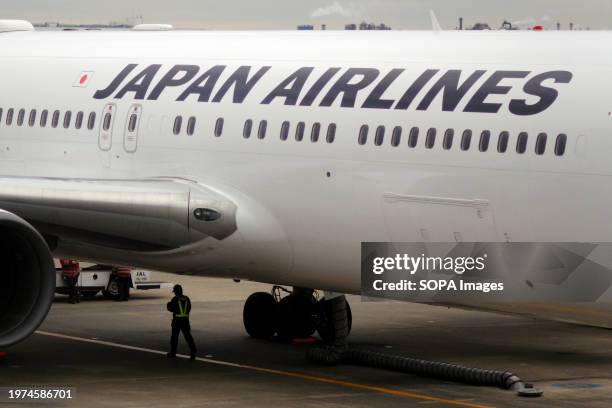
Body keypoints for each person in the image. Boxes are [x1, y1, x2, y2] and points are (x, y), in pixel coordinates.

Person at [166, 284, 197, 360]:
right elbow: (189, 308)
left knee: (174, 338)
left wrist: (168, 305)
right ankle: (193, 352)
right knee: (188, 337)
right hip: (185, 320)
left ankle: (173, 353)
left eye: (174, 291)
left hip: (177, 321)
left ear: (176, 292)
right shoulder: (187, 298)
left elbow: (171, 309)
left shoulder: (175, 299)